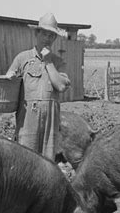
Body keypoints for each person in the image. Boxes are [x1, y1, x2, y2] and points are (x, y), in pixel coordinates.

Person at [5, 12, 71, 162]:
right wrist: (10, 77)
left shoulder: (58, 62)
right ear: (37, 33)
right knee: (26, 158)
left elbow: (60, 86)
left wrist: (48, 62)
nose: (48, 39)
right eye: (45, 34)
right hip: (28, 118)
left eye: (51, 36)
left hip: (50, 120)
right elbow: (9, 78)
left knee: (47, 162)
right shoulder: (22, 58)